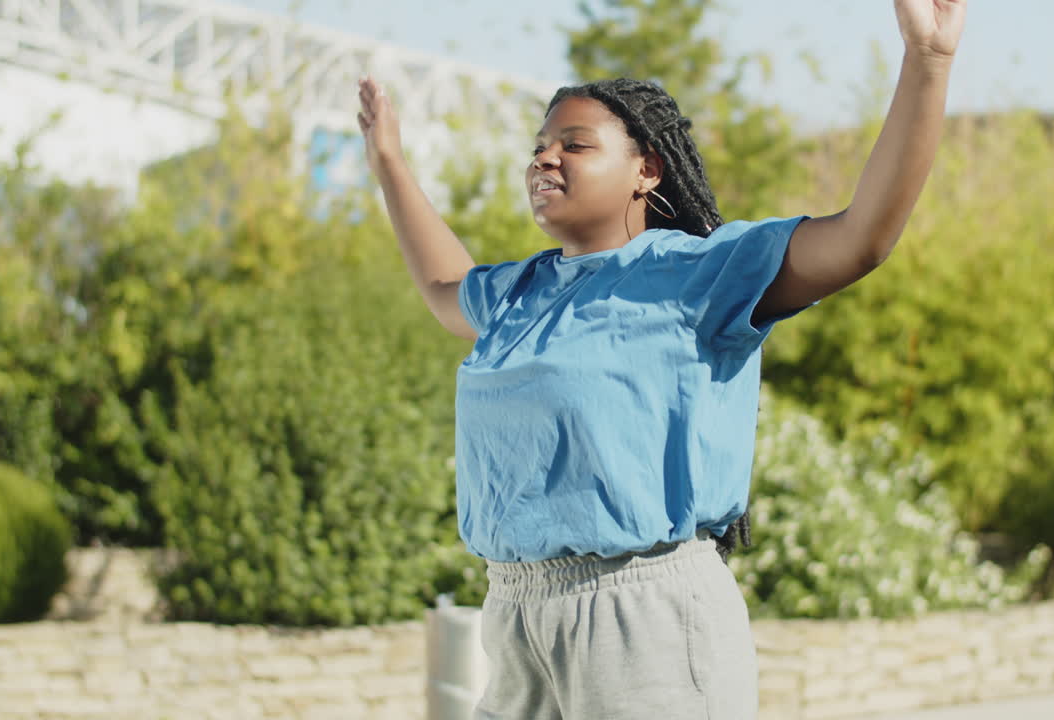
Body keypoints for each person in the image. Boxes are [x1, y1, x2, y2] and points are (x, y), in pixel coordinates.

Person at [357, 1, 965, 717]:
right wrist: (390, 162)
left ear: (646, 169)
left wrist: (928, 64)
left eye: (575, 145)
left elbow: (861, 238)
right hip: (516, 615)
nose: (544, 157)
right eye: (539, 146)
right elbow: (440, 288)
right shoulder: (520, 293)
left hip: (642, 622)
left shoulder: (698, 275)